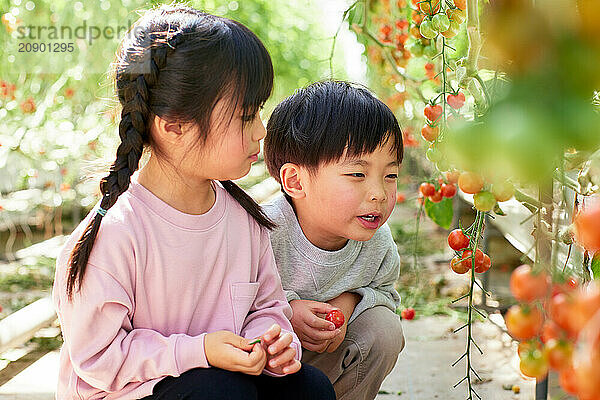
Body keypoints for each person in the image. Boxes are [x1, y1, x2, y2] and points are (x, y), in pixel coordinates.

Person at [52, 5, 335, 400]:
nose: (261, 130)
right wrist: (198, 351)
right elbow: (100, 358)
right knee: (220, 393)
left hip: (222, 382)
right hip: (131, 390)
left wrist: (270, 343)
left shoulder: (243, 220)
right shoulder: (117, 233)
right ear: (174, 127)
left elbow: (267, 307)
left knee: (309, 388)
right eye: (245, 115)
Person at [262, 80, 406, 400]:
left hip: (322, 365)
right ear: (296, 181)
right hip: (261, 368)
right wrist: (285, 310)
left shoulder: (377, 243)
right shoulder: (262, 234)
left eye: (390, 175)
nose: (379, 194)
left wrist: (350, 302)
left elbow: (385, 294)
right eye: (358, 174)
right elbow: (229, 307)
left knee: (383, 329)